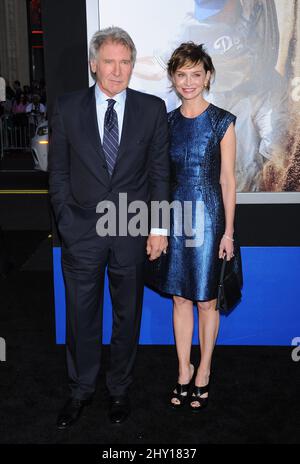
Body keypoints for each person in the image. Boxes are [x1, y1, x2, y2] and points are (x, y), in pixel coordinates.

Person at [48, 27, 169, 429]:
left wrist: (158, 227)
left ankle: (119, 389)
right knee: (81, 317)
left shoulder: (152, 110)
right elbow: (59, 173)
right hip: (81, 232)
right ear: (93, 64)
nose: (117, 71)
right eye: (109, 61)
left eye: (125, 62)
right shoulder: (67, 107)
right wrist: (66, 221)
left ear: (133, 65)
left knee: (126, 316)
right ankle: (80, 391)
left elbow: (158, 175)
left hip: (132, 230)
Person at [155, 42, 242, 411]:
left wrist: (228, 232)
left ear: (207, 77)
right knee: (180, 298)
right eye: (181, 74)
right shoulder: (166, 123)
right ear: (173, 79)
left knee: (207, 301)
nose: (188, 81)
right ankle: (183, 369)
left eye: (195, 74)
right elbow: (158, 177)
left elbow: (227, 180)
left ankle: (204, 369)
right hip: (174, 216)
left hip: (208, 217)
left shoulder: (223, 120)